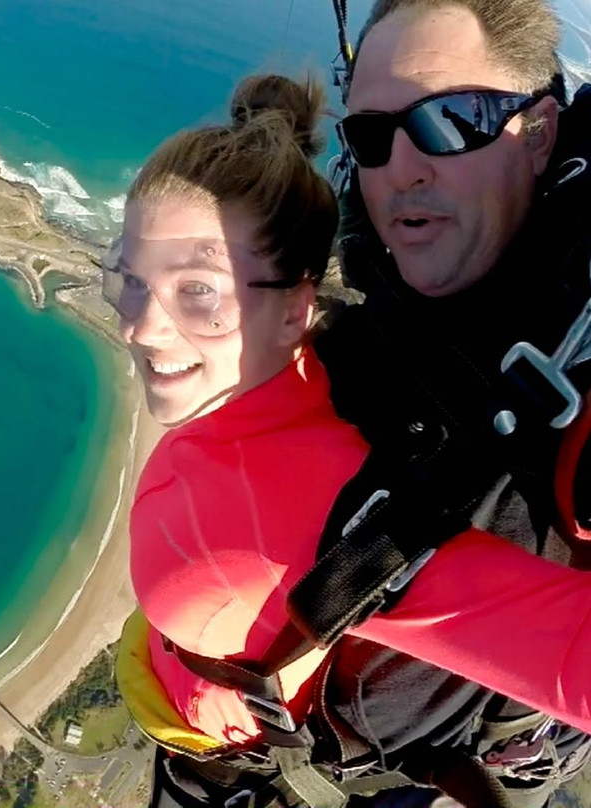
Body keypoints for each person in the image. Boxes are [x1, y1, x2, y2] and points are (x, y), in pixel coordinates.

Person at [110, 73, 591, 808]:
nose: (140, 327)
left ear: (294, 311)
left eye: (198, 290)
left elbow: (570, 652)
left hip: (241, 769)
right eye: (130, 279)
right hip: (204, 720)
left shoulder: (317, 519)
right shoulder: (283, 387)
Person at [305, 0, 591, 805]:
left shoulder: (576, 340)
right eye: (370, 136)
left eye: (449, 121)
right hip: (327, 734)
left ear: (538, 136)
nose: (401, 168)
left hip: (471, 766)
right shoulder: (368, 281)